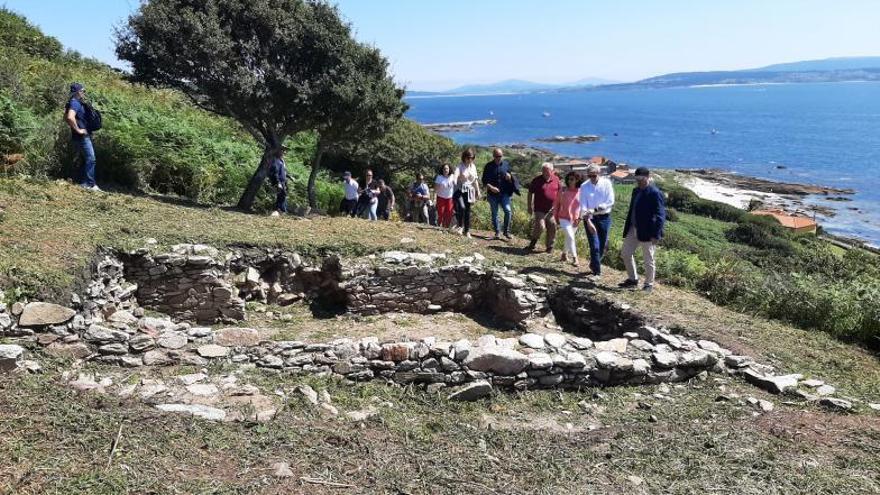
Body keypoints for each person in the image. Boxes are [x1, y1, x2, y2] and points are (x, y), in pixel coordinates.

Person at [619, 167, 666, 293]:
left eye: (641, 179)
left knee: (648, 258)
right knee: (626, 253)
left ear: (647, 177)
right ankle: (633, 279)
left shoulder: (655, 193)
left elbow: (660, 215)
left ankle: (649, 284)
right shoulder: (635, 191)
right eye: (637, 179)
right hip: (633, 228)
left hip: (648, 231)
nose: (638, 181)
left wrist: (656, 234)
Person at [578, 164, 616, 277]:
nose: (592, 178)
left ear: (599, 174)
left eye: (594, 175)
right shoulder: (584, 186)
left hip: (604, 217)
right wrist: (588, 220)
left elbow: (610, 201)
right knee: (594, 245)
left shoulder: (607, 183)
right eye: (589, 176)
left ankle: (594, 263)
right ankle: (597, 272)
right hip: (590, 218)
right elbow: (583, 205)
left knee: (602, 245)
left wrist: (596, 208)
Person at [64, 83, 99, 191]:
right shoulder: (75, 103)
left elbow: (65, 118)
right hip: (82, 136)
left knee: (84, 159)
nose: (84, 93)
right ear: (78, 92)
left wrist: (75, 129)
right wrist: (78, 130)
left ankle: (83, 181)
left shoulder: (72, 102)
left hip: (79, 136)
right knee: (91, 159)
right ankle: (89, 184)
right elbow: (70, 117)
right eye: (83, 91)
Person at [482, 148, 517, 239]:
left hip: (504, 194)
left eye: (500, 156)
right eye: (497, 156)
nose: (498, 158)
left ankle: (506, 232)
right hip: (492, 195)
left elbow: (511, 180)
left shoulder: (506, 165)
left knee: (508, 211)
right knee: (495, 214)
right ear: (493, 156)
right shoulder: (488, 166)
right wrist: (491, 188)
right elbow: (484, 181)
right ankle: (497, 232)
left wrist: (509, 178)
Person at [526, 162, 561, 252]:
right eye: (543, 170)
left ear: (552, 171)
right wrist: (529, 206)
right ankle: (533, 242)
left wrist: (559, 206)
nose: (544, 172)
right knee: (541, 226)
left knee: (552, 226)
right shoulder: (537, 180)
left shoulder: (556, 179)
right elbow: (530, 193)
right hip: (539, 209)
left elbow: (559, 193)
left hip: (551, 209)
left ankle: (549, 247)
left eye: (547, 170)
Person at [553, 171, 582, 266]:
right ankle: (575, 258)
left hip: (575, 219)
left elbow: (583, 206)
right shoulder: (563, 190)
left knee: (569, 238)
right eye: (569, 179)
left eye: (572, 179)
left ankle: (564, 255)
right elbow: (556, 204)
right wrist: (555, 216)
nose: (570, 181)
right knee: (570, 236)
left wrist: (580, 218)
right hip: (563, 217)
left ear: (577, 180)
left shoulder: (581, 192)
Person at [453, 149, 481, 238]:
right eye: (468, 158)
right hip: (460, 190)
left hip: (469, 191)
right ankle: (460, 226)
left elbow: (475, 180)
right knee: (462, 207)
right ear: (464, 157)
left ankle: (467, 230)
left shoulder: (473, 167)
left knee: (468, 211)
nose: (470, 160)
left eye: (472, 158)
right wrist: (454, 180)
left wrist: (478, 191)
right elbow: (456, 174)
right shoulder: (460, 166)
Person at [434, 164, 456, 229]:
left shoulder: (453, 176)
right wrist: (434, 198)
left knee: (449, 213)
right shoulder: (439, 177)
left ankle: (446, 227)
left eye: (447, 168)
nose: (446, 170)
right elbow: (435, 189)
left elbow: (457, 185)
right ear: (442, 170)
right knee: (441, 213)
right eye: (444, 169)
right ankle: (439, 226)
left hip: (450, 198)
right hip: (441, 197)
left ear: (449, 169)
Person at [268, 147, 289, 216]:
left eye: (284, 151)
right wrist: (278, 182)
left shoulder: (282, 161)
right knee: (281, 195)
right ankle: (279, 210)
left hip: (283, 181)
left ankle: (281, 210)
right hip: (279, 181)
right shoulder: (276, 160)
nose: (284, 153)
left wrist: (289, 176)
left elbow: (284, 171)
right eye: (282, 151)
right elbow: (275, 172)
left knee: (283, 195)